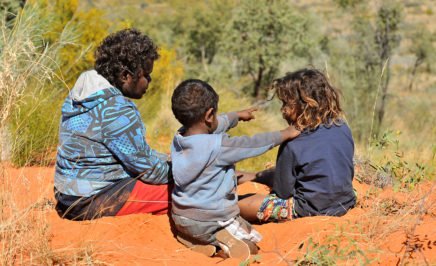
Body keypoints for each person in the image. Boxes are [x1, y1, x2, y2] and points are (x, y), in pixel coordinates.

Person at [169, 79, 300, 260]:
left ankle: (196, 242)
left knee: (218, 230)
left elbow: (214, 124)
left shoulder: (180, 138)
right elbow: (253, 144)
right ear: (209, 115)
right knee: (253, 247)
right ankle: (222, 245)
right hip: (211, 220)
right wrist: (285, 134)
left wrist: (235, 116)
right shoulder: (218, 146)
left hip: (182, 219)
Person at [54, 29, 172, 220]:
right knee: (188, 192)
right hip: (90, 202)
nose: (149, 81)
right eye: (146, 75)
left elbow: (136, 156)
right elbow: (150, 172)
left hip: (66, 197)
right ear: (126, 76)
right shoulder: (117, 110)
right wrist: (185, 170)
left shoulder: (81, 94)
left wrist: (168, 160)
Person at [238, 68, 356, 223]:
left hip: (309, 210)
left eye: (286, 104)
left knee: (239, 204)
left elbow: (283, 192)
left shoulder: (292, 143)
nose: (283, 110)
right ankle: (252, 176)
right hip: (345, 204)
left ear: (305, 105)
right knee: (284, 173)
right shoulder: (342, 127)